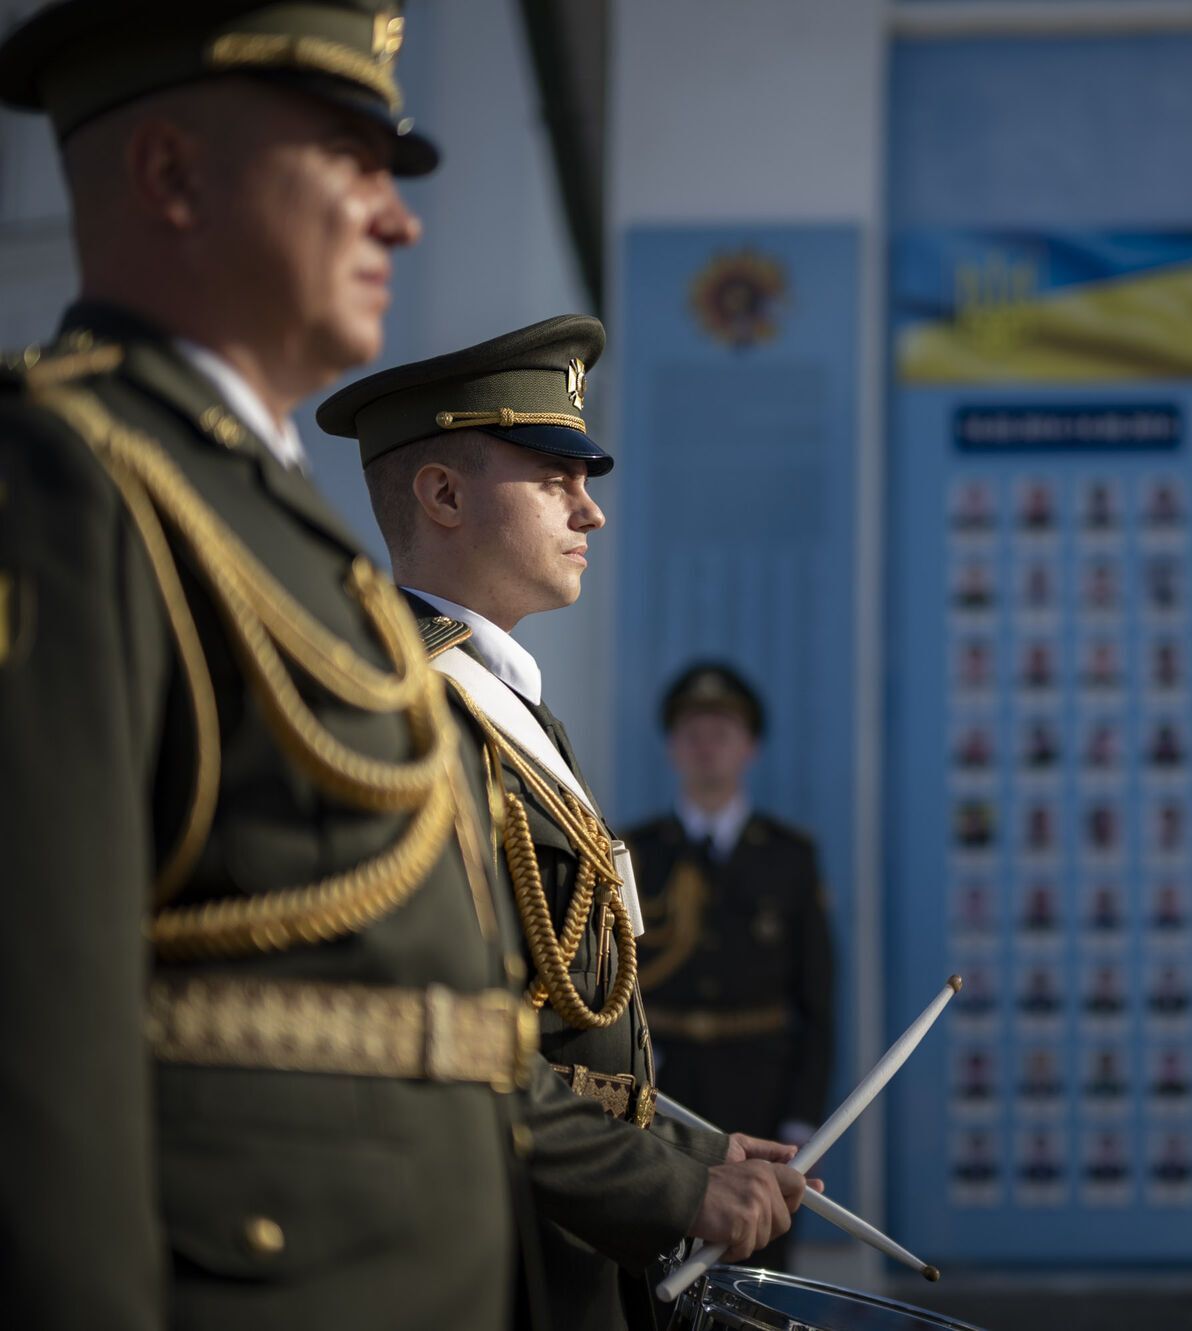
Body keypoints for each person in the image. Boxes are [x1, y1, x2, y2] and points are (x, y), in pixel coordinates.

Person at [0, 5, 792, 1326]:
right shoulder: (67, 481)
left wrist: (686, 1150)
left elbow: (428, 1023)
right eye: (348, 161)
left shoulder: (260, 516)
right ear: (171, 175)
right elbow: (40, 1035)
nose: (400, 219)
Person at [319, 316, 809, 1328]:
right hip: (491, 1269)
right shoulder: (401, 712)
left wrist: (689, 1148)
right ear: (443, 494)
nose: (590, 513)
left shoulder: (500, 703)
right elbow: (440, 1047)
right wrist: (675, 1190)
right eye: (554, 477)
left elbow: (558, 1044)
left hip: (562, 1248)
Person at [626, 662, 836, 1272]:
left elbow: (817, 1003)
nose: (706, 747)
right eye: (692, 733)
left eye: (722, 733)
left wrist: (805, 1120)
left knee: (756, 1272)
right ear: (672, 748)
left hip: (762, 1096)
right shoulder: (632, 851)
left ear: (750, 748)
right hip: (664, 1096)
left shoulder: (791, 858)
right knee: (658, 1263)